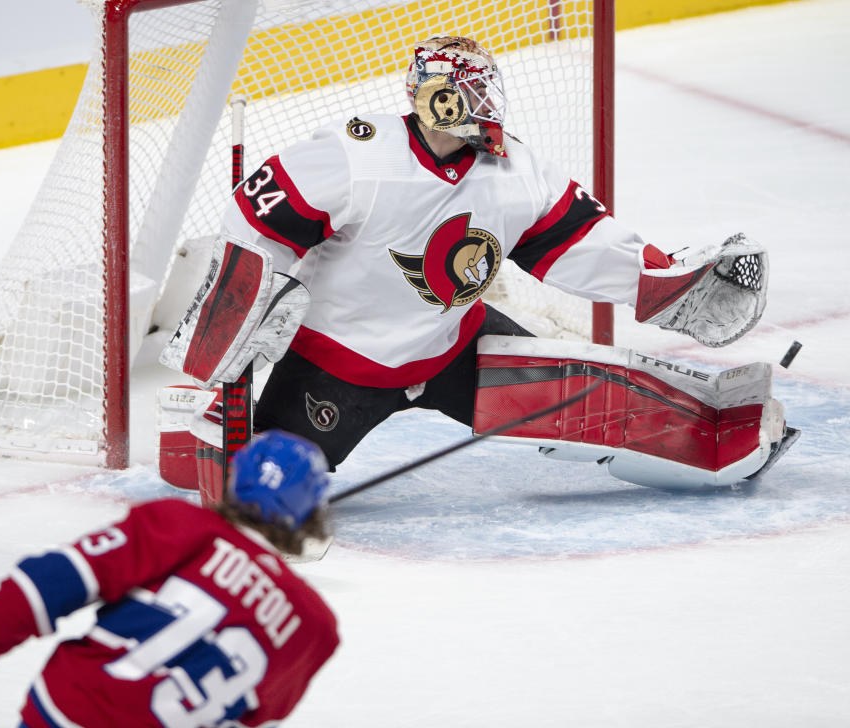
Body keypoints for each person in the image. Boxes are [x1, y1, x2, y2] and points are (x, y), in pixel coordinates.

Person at [158, 36, 787, 494]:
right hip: (338, 371)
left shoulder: (513, 170)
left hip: (458, 347)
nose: (486, 105)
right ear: (432, 98)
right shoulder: (357, 155)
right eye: (468, 92)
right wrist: (250, 294)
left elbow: (580, 239)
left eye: (487, 89)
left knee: (586, 396)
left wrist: (661, 284)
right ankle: (206, 426)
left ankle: (720, 429)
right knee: (261, 489)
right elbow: (254, 222)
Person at [0, 430, 340, 728]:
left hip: (71, 713)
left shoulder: (182, 526)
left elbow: (54, 581)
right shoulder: (314, 628)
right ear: (313, 514)